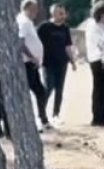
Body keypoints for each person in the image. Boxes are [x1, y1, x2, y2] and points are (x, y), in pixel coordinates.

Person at [38, 3, 76, 126]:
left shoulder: (65, 28)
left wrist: (72, 60)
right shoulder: (44, 27)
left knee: (60, 89)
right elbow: (37, 44)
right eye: (60, 13)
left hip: (62, 63)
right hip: (48, 63)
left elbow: (68, 46)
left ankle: (56, 114)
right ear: (53, 13)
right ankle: (41, 113)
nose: (63, 16)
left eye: (63, 13)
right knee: (49, 87)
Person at [19, 0, 53, 129]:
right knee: (37, 92)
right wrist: (31, 57)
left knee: (40, 92)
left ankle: (42, 119)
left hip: (32, 64)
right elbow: (21, 42)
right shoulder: (23, 22)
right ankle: (39, 120)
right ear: (27, 8)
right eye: (34, 9)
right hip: (27, 63)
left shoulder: (28, 22)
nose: (36, 12)